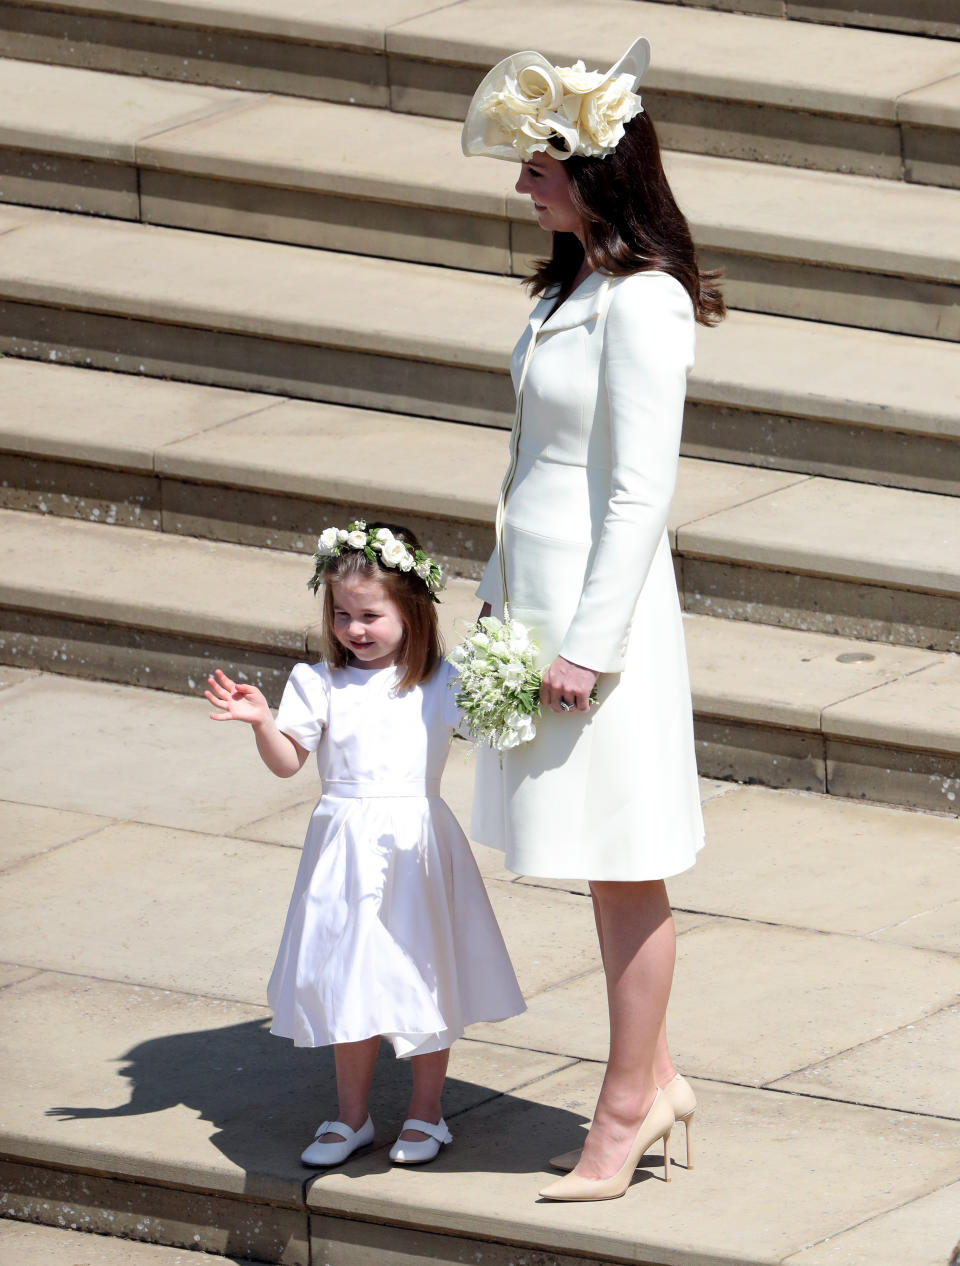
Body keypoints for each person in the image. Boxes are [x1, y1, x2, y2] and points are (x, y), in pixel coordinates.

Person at [461, 38, 725, 1201]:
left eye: (539, 165)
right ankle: (657, 1077)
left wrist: (588, 646)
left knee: (627, 867)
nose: (523, 182)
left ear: (596, 173)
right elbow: (534, 465)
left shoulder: (647, 301)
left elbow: (638, 490)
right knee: (599, 864)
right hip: (541, 601)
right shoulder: (572, 282)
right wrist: (497, 596)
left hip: (597, 627)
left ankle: (623, 1115)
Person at [205, 520, 525, 1168]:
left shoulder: (439, 683)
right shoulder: (318, 683)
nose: (355, 628)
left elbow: (498, 730)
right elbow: (289, 762)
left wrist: (515, 674)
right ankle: (351, 1118)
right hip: (343, 857)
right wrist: (263, 722)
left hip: (414, 851)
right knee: (349, 980)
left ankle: (426, 1113)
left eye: (371, 614)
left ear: (410, 610)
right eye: (343, 614)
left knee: (422, 976)